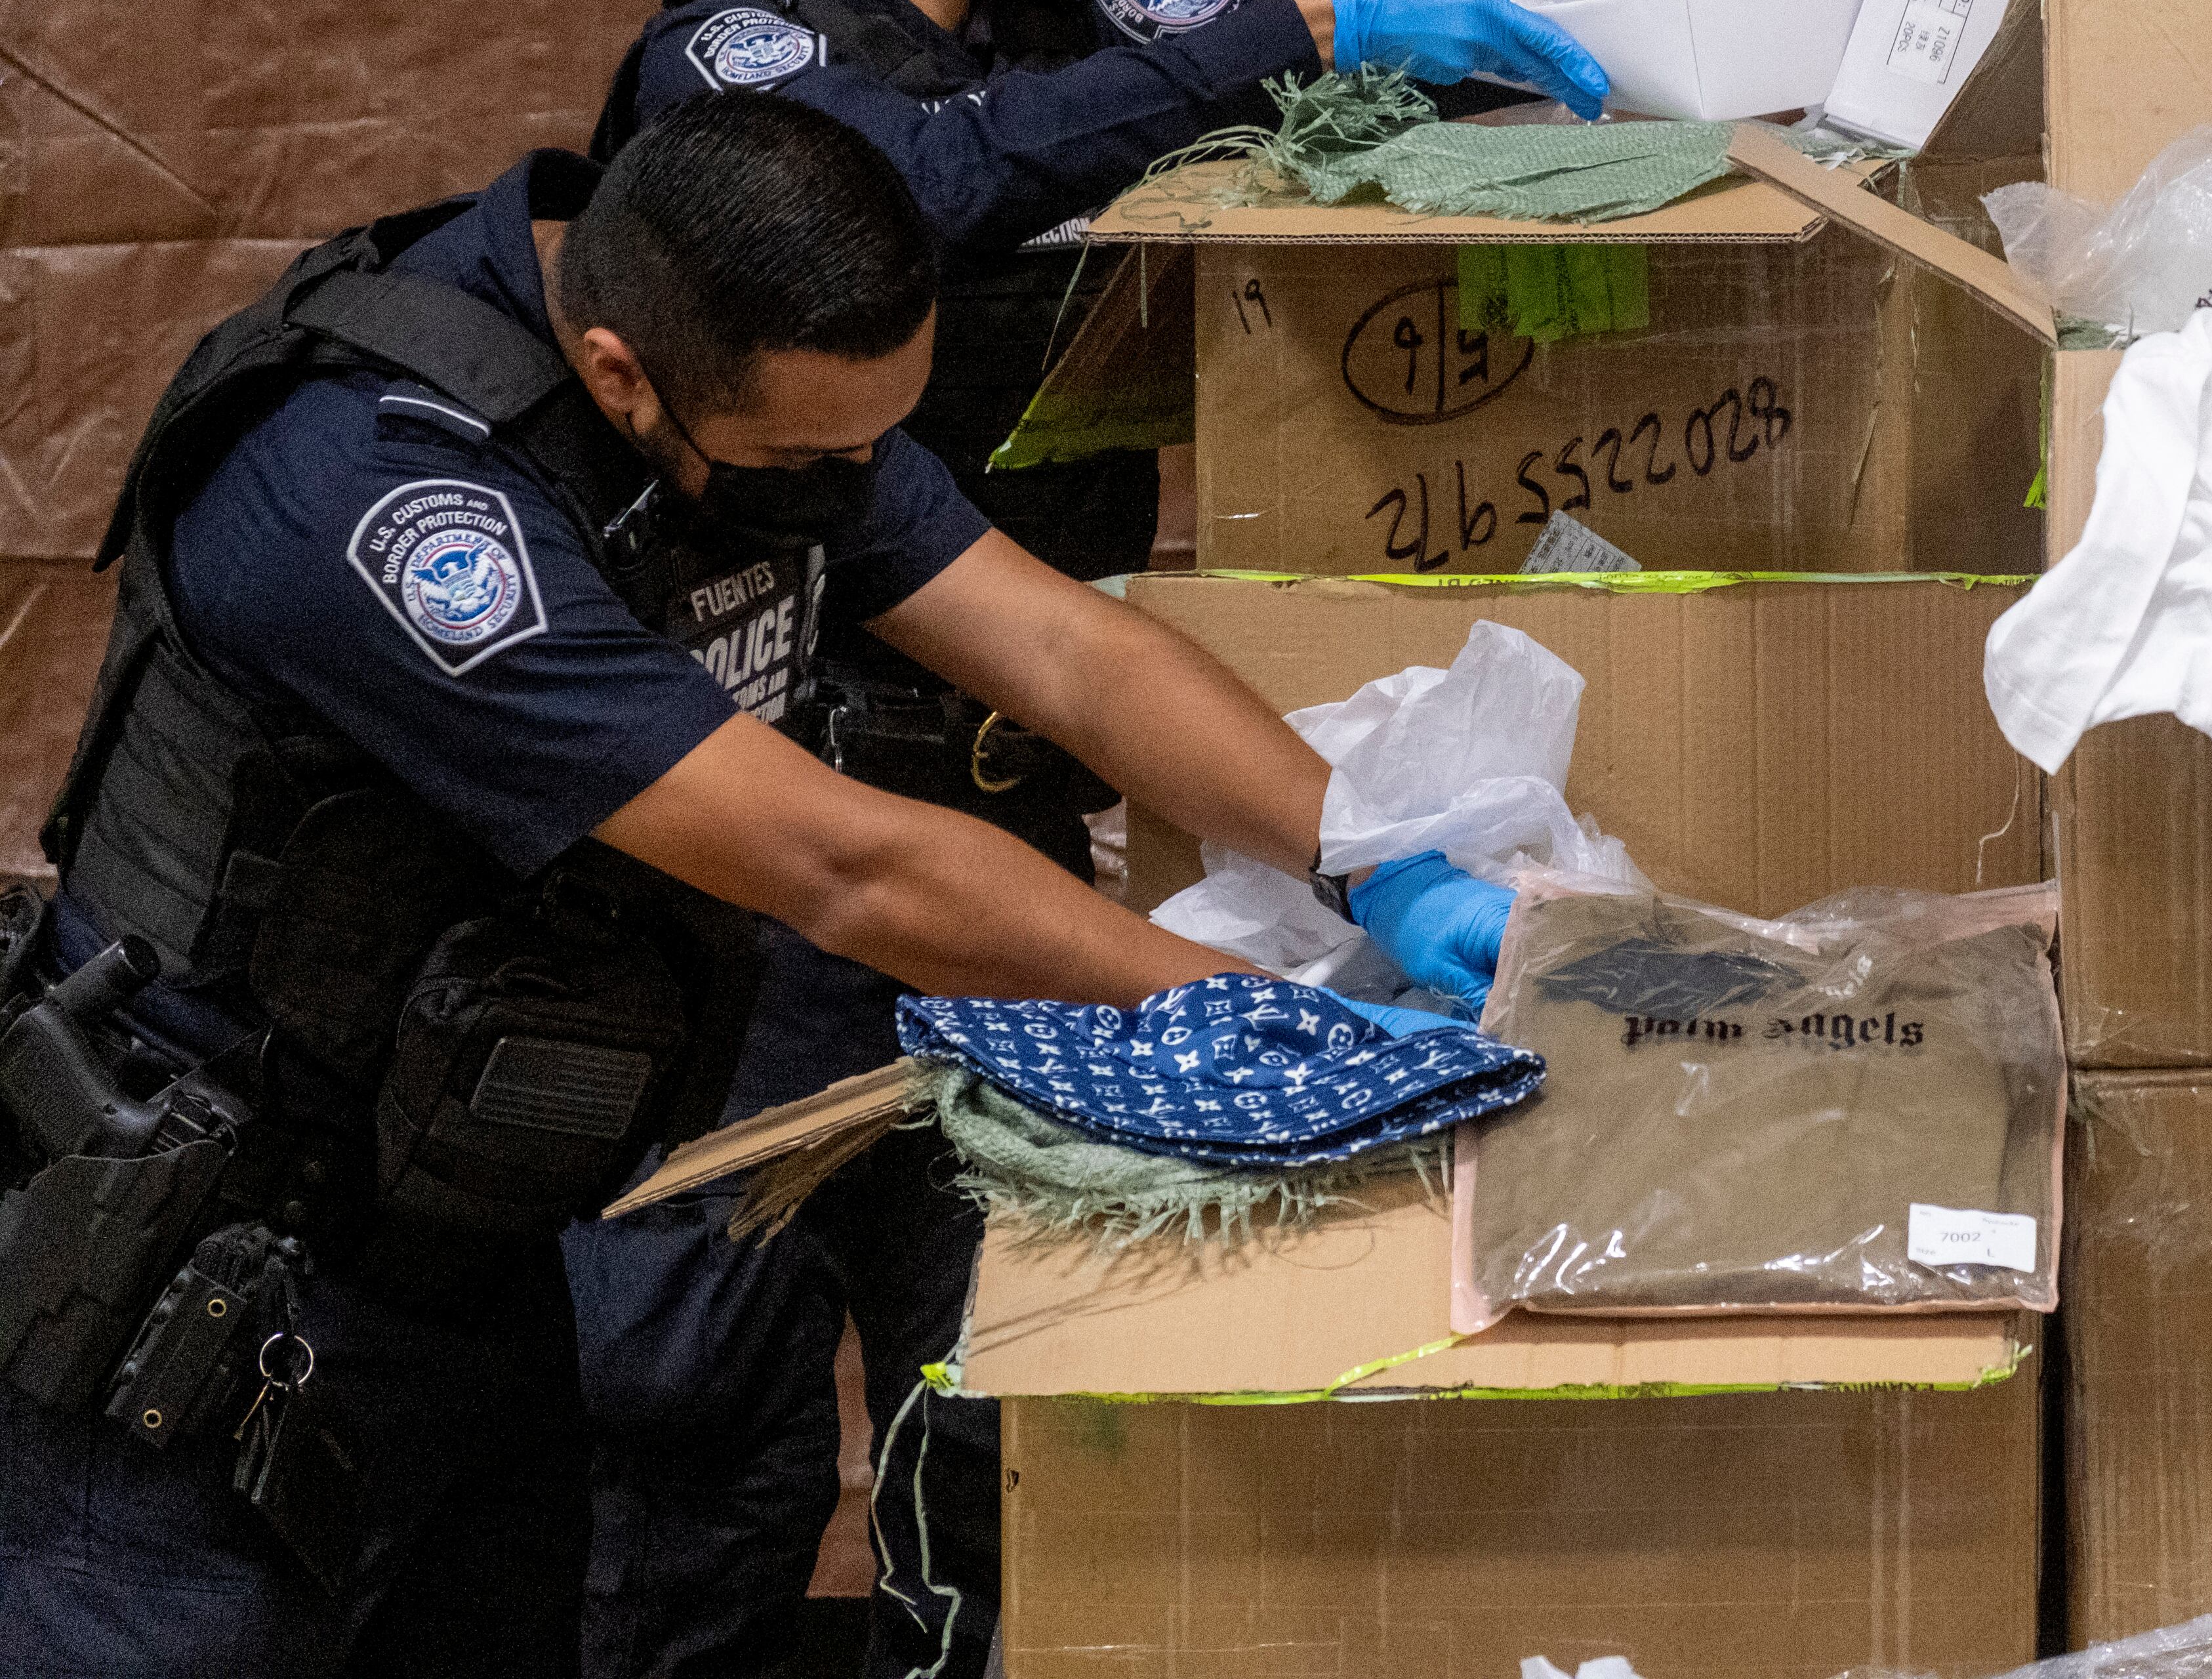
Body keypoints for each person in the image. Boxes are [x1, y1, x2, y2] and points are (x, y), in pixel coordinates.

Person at [567, 0, 2078, 1679]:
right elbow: (908, 180)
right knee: (689, 1427)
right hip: (761, 839)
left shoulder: (1073, 31)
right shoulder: (742, 47)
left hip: (1028, 806)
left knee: (990, 1393)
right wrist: (1290, 32)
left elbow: (1451, 1)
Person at [0, 91, 1504, 1676]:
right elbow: (839, 860)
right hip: (199, 1290)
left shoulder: (757, 381)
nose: (853, 483)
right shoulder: (384, 495)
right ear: (620, 379)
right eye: (813, 456)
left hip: (463, 1235)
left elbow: (1064, 646)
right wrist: (1244, 1007)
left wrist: (1366, 847)